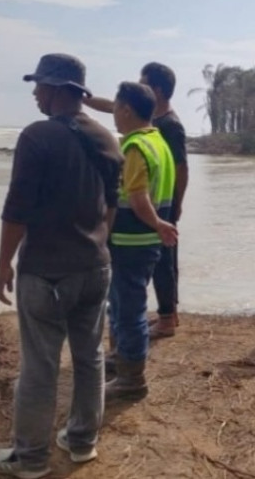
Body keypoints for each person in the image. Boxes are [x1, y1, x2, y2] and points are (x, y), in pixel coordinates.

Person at [0, 54, 123, 478]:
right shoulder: (107, 138)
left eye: (39, 85)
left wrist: (3, 265)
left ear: (57, 89)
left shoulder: (37, 137)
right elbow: (111, 206)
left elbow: (17, 210)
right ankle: (82, 442)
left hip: (45, 271)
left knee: (40, 366)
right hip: (95, 266)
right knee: (90, 357)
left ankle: (29, 459)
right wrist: (97, 243)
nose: (34, 92)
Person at [86, 62, 188, 339]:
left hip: (153, 214)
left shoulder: (168, 127)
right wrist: (88, 99)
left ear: (155, 90)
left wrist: (173, 207)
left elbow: (181, 169)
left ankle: (167, 317)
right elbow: (115, 106)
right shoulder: (152, 125)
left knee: (157, 270)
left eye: (142, 82)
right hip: (154, 213)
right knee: (142, 279)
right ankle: (161, 320)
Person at [106, 82, 177, 401]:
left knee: (128, 309)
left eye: (116, 109)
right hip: (146, 241)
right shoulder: (158, 140)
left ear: (127, 110)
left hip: (131, 239)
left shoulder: (134, 147)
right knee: (122, 304)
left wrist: (157, 222)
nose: (114, 117)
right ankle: (120, 361)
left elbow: (137, 198)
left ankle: (131, 379)